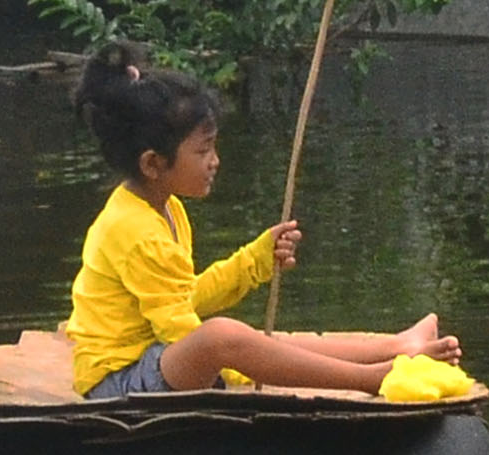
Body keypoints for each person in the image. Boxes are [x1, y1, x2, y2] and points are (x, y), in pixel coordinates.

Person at [65, 44, 459, 400]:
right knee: (225, 337)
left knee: (247, 339)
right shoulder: (135, 230)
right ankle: (369, 378)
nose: (215, 161)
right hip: (118, 383)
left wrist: (255, 261)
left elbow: (185, 297)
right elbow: (184, 332)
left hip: (151, 357)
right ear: (153, 163)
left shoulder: (166, 209)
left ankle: (395, 347)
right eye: (203, 150)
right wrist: (241, 366)